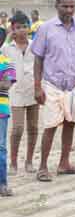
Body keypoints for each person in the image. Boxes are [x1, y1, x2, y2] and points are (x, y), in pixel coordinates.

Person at [31, 0, 75, 182]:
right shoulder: (46, 29)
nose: (69, 10)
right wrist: (37, 86)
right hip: (52, 85)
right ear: (56, 5)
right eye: (65, 6)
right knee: (50, 125)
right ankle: (42, 167)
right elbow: (38, 59)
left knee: (70, 123)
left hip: (74, 87)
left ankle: (64, 163)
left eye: (72, 6)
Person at [2, 12, 39, 176]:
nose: (22, 30)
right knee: (17, 129)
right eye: (18, 27)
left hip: (33, 91)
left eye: (24, 26)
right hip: (16, 93)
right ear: (12, 29)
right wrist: (9, 36)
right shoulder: (6, 48)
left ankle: (29, 161)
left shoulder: (35, 45)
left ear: (29, 28)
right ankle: (13, 162)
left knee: (33, 128)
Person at [0, 44, 16, 196]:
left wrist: (3, 82)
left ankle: (2, 184)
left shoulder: (6, 62)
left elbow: (6, 85)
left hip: (1, 111)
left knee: (0, 147)